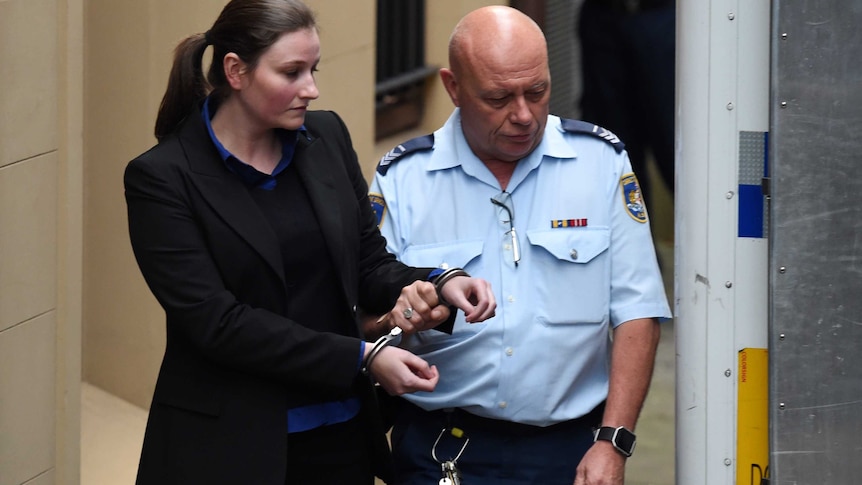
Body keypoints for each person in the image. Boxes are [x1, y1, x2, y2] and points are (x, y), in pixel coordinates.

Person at [123, 1, 495, 484]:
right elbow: (219, 323)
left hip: (341, 437)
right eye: (291, 72)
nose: (311, 89)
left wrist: (439, 281)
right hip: (227, 448)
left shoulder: (326, 137)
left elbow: (367, 262)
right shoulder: (162, 179)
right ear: (235, 71)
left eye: (313, 69)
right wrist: (364, 357)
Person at [368, 6, 671, 485]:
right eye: (498, 98)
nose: (524, 115)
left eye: (537, 91)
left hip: (571, 453)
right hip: (443, 453)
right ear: (453, 87)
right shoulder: (404, 179)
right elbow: (365, 319)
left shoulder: (599, 162)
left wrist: (614, 442)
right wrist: (401, 318)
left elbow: (638, 311)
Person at [577, 0, 676, 217]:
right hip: (602, 19)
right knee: (612, 152)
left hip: (662, 17)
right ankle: (635, 248)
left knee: (676, 149)